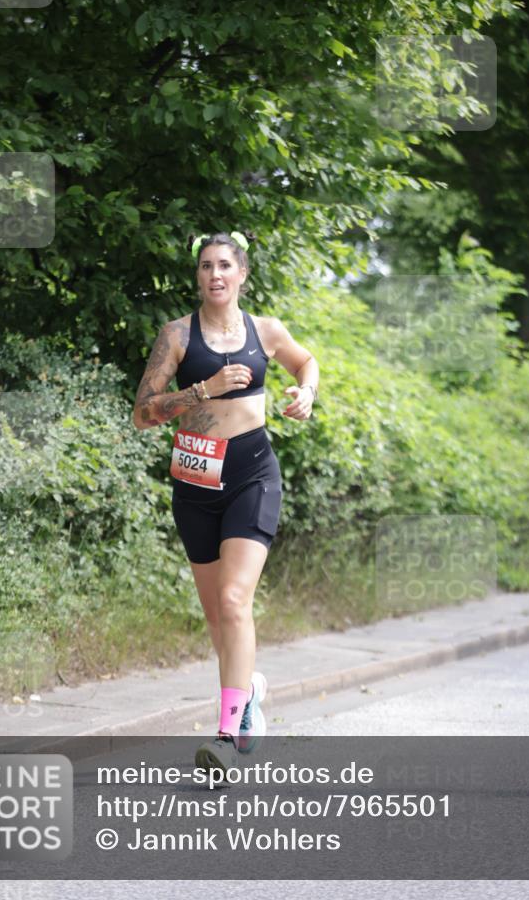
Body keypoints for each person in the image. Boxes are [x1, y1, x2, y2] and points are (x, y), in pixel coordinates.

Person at [132, 231, 319, 776]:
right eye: (206, 266)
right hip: (194, 483)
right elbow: (143, 413)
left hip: (251, 475)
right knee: (217, 615)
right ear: (198, 276)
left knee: (235, 601)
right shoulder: (177, 336)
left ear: (241, 275)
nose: (215, 275)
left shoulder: (266, 331)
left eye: (224, 266)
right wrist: (202, 389)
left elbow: (305, 362)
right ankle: (250, 690)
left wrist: (306, 392)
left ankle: (225, 734)